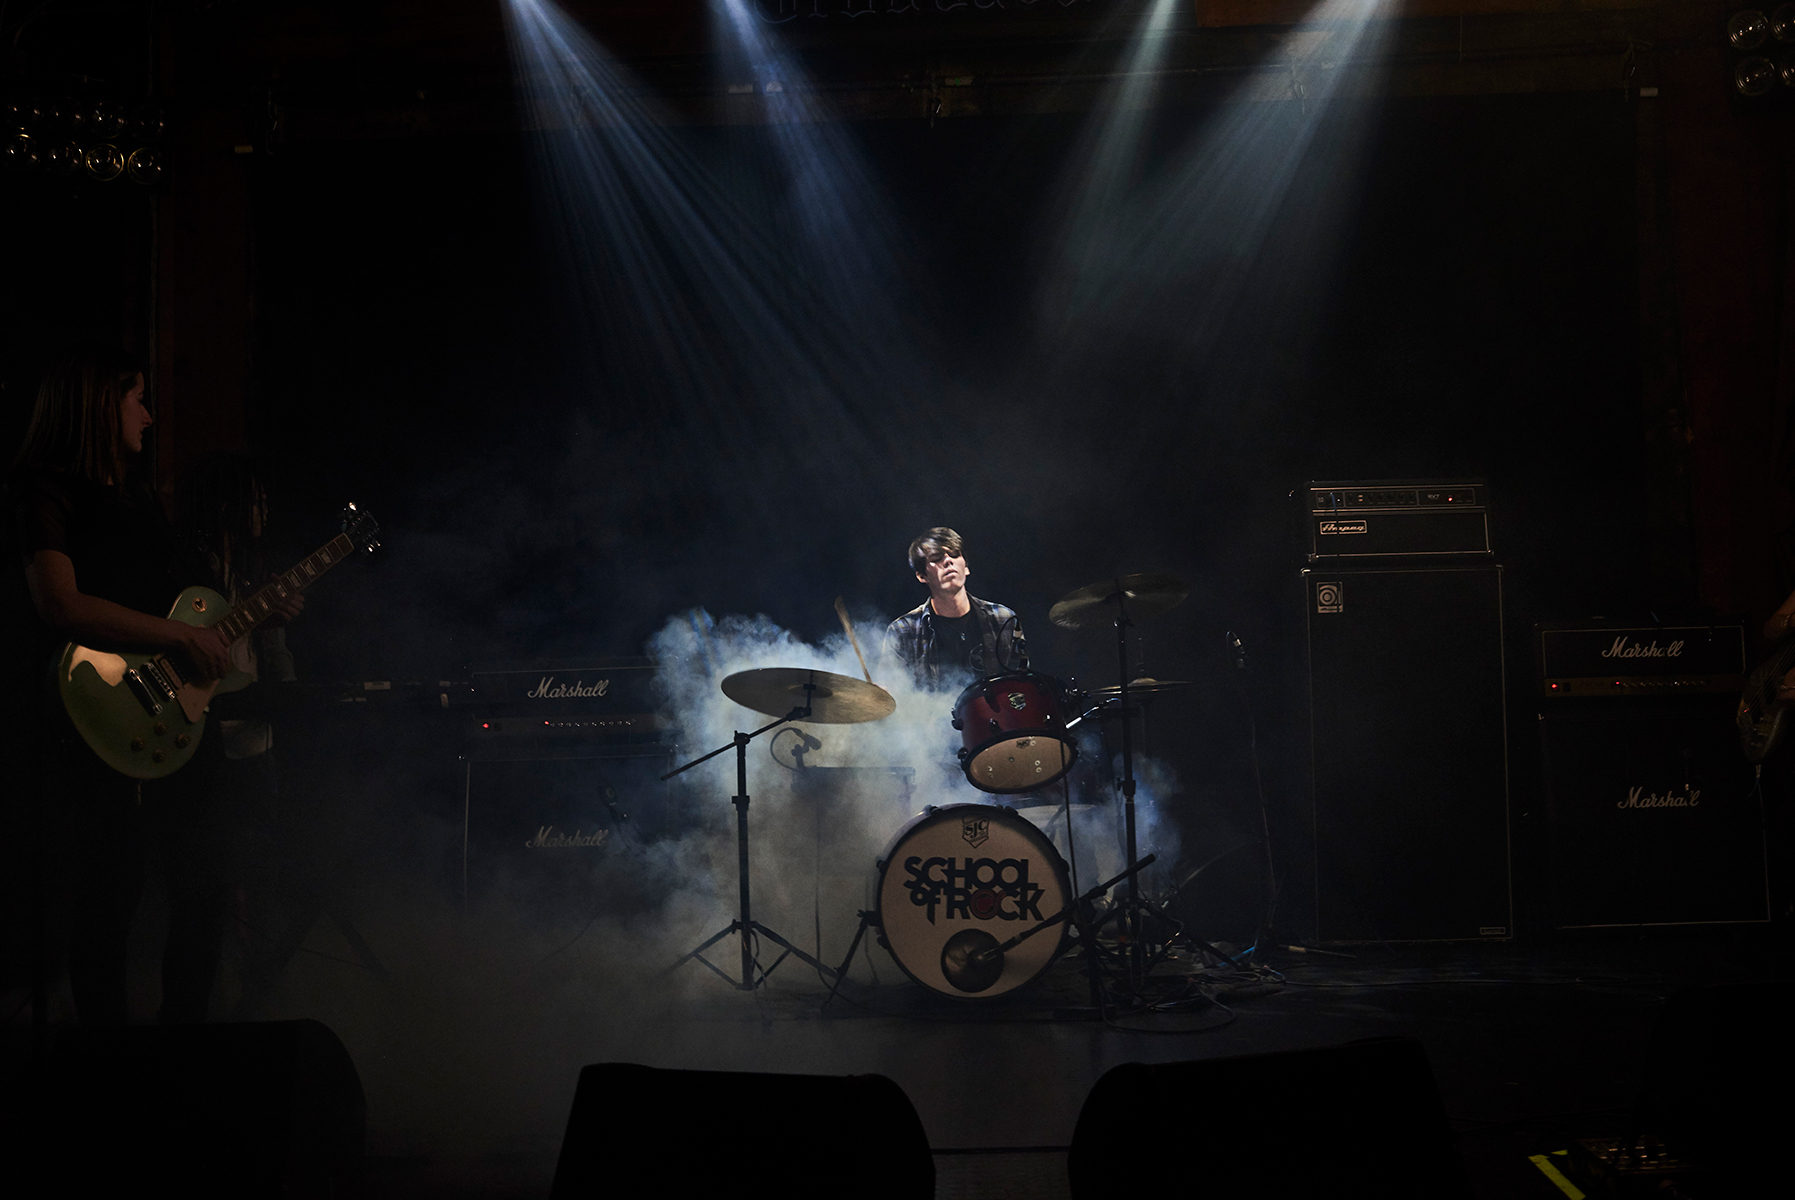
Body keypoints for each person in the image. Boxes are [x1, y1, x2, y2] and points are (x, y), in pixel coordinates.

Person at [10, 348, 297, 1025]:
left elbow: (180, 608)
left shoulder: (136, 493)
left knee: (205, 884)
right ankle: (107, 1064)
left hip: (174, 715)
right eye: (136, 398)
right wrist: (176, 639)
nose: (148, 414)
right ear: (96, 404)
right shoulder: (46, 489)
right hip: (95, 712)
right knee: (110, 891)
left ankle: (181, 1046)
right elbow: (61, 605)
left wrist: (242, 614)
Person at [882, 527, 1026, 687]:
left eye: (955, 555)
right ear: (922, 576)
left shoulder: (1003, 618)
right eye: (936, 558)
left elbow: (1022, 685)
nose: (948, 561)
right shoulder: (902, 631)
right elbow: (891, 695)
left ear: (966, 568)